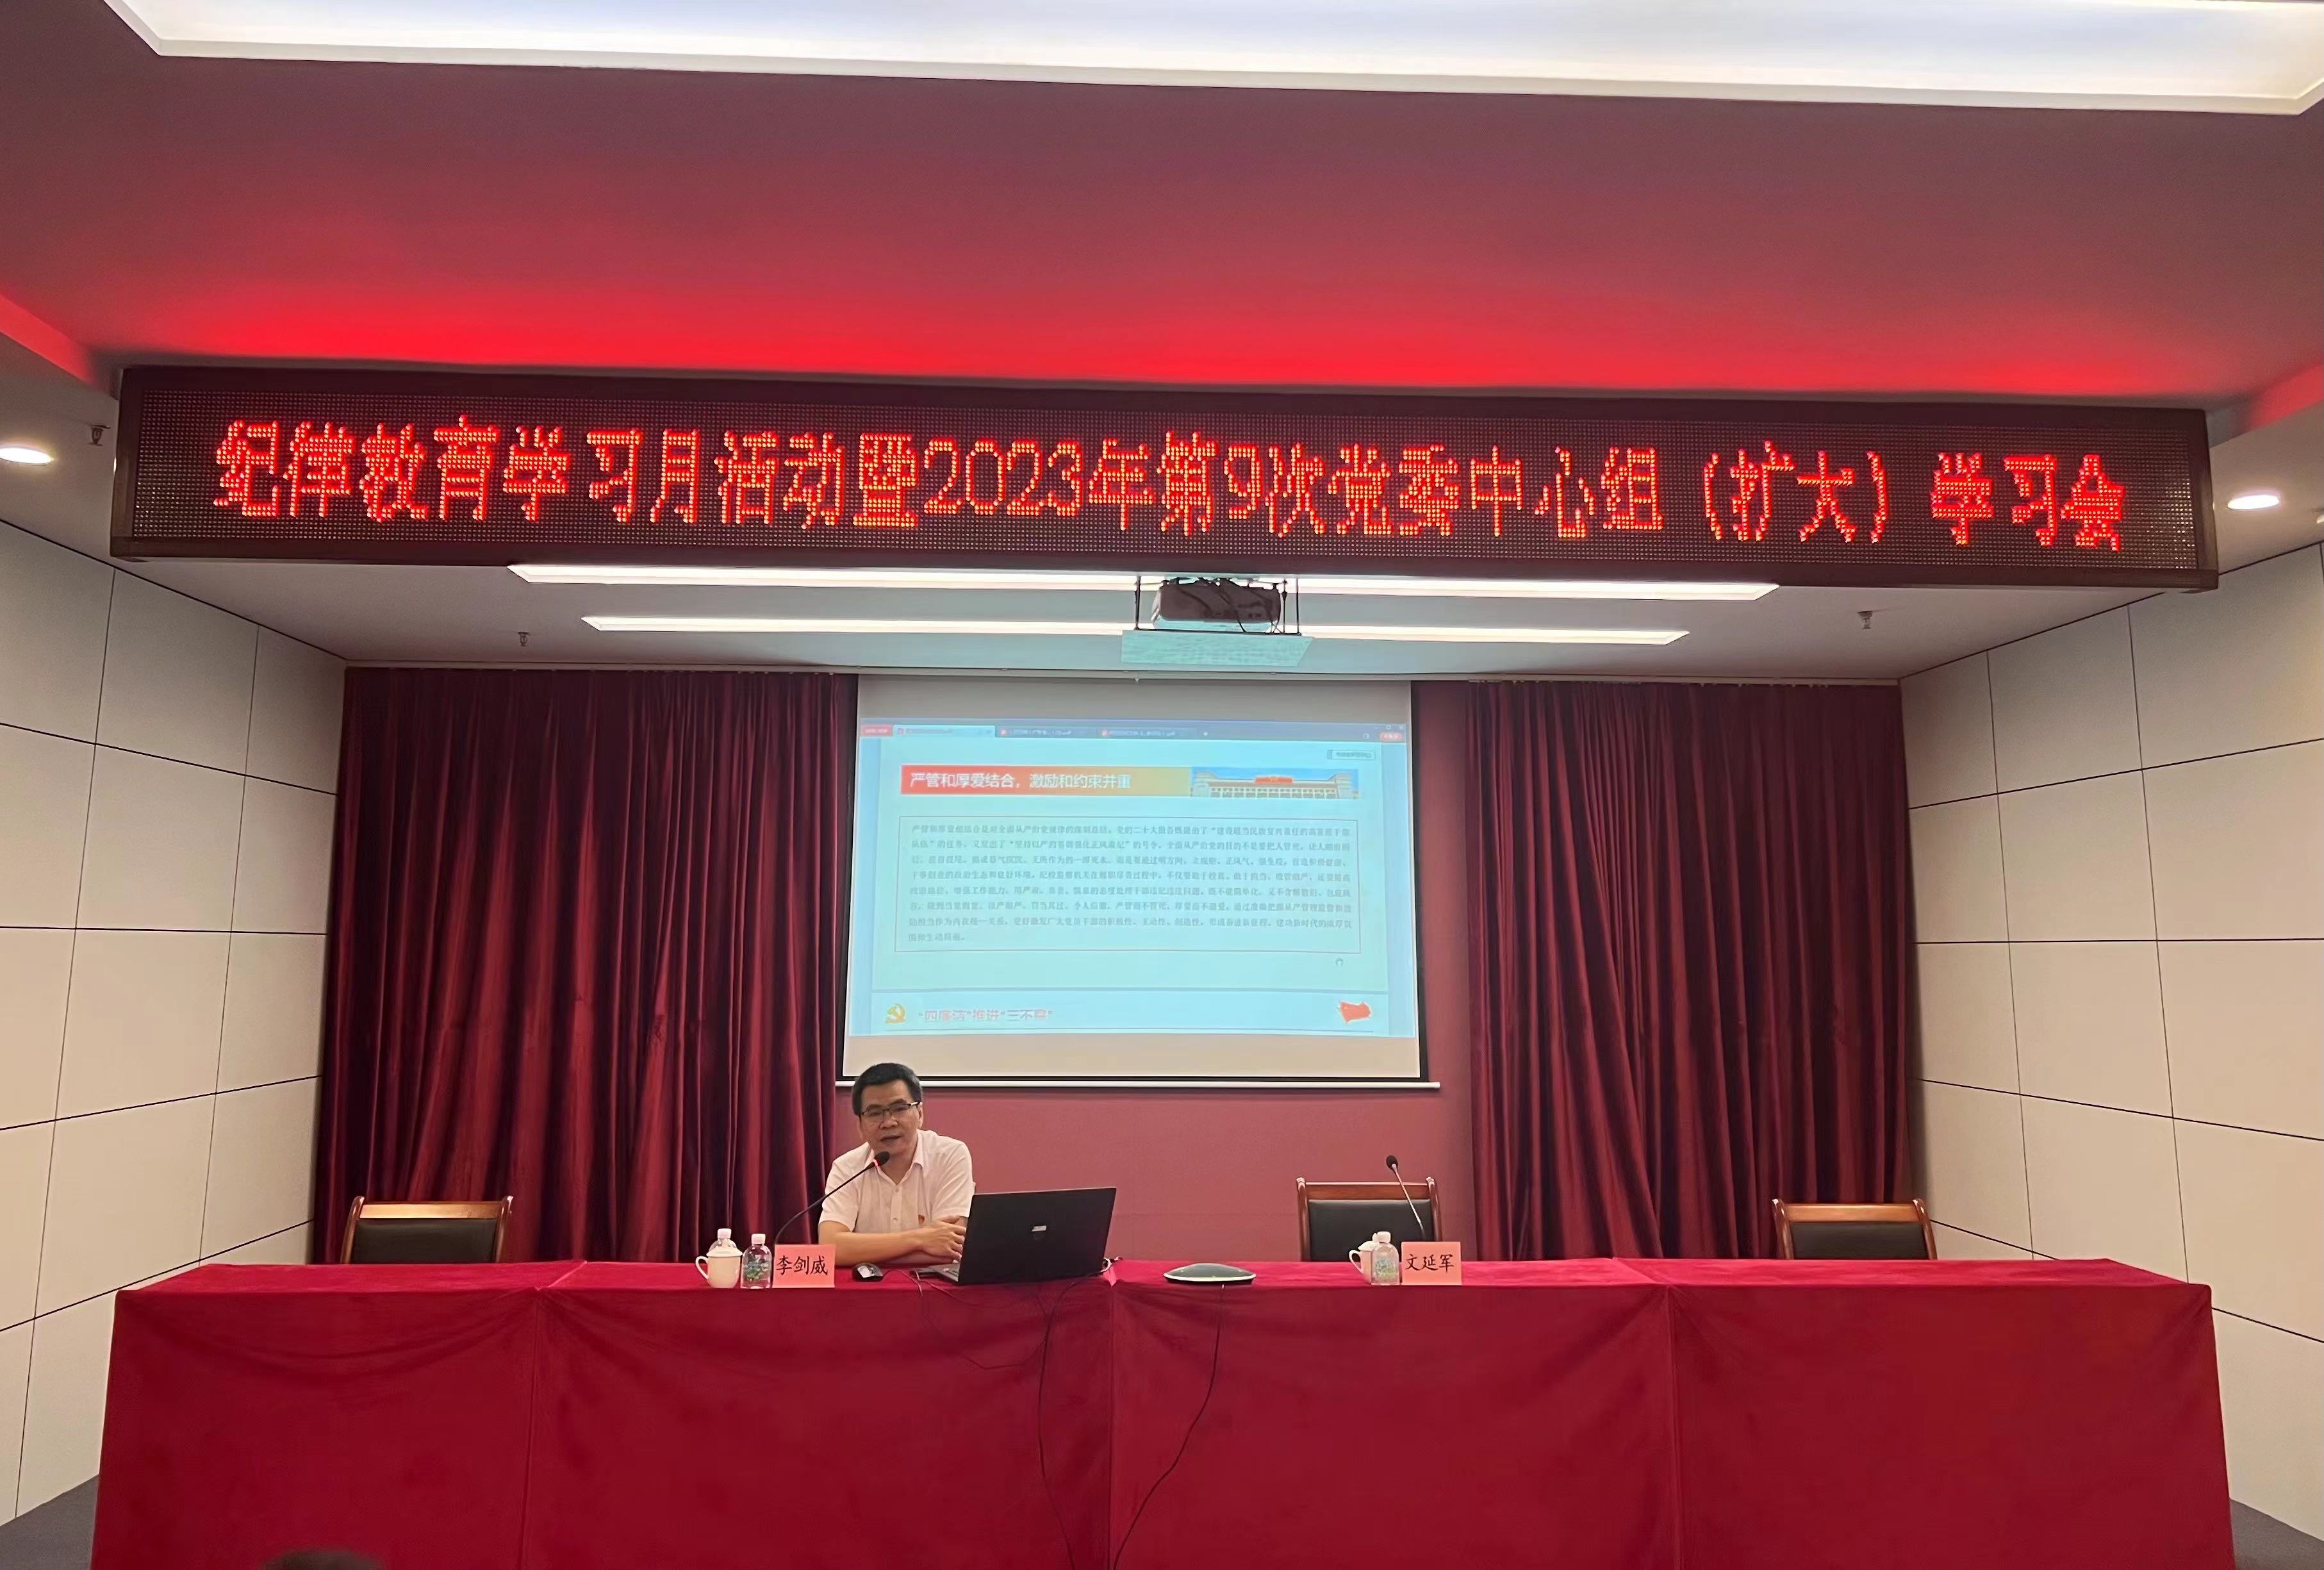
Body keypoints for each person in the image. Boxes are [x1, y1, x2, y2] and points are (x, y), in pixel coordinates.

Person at [819, 1062, 974, 1268]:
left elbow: (949, 1249)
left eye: (900, 1109)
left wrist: (860, 1254)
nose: (889, 1122)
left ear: (920, 1114)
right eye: (875, 1113)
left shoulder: (950, 1156)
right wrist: (920, 1239)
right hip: (867, 1287)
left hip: (932, 1286)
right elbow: (831, 1248)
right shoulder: (846, 1168)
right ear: (860, 1125)